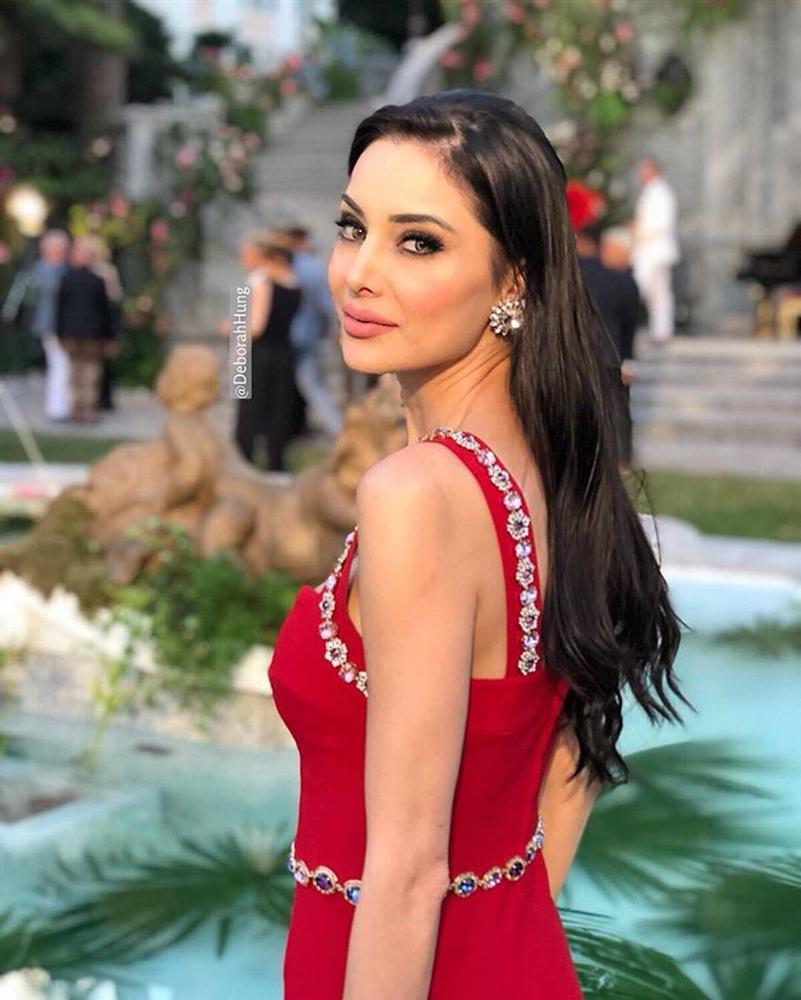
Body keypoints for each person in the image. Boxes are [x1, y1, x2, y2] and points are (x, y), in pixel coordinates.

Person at [267, 90, 688, 999]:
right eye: (352, 228)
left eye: (417, 242)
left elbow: (408, 874)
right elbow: (575, 758)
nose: (358, 273)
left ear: (512, 281)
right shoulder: (558, 465)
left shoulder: (417, 496)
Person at [233, 232, 303, 471]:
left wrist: (233, 326)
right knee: (279, 411)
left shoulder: (262, 283)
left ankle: (244, 460)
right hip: (285, 353)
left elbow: (255, 326)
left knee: (249, 410)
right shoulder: (295, 284)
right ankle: (276, 462)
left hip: (259, 354)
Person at [576, 223, 641, 472]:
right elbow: (630, 323)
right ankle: (622, 460)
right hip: (610, 355)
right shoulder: (624, 281)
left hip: (582, 353)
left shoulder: (582, 271)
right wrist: (628, 358)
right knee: (617, 410)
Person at [279, 224, 344, 438]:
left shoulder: (294, 267)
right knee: (305, 384)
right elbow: (326, 305)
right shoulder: (312, 267)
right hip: (307, 333)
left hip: (295, 335)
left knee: (311, 384)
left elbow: (325, 304)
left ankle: (337, 429)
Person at [55, 235, 114, 423]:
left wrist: (60, 333)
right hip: (91, 334)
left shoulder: (68, 279)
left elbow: (60, 310)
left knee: (78, 371)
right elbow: (104, 312)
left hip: (75, 334)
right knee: (88, 371)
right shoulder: (95, 281)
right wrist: (109, 337)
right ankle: (85, 409)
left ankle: (79, 408)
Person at [630, 156, 680, 342]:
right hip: (652, 249)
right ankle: (660, 331)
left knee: (642, 289)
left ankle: (657, 331)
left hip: (653, 249)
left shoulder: (660, 193)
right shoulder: (652, 191)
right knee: (658, 293)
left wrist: (637, 233)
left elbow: (660, 225)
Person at [28, 230, 72, 421]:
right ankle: (57, 409)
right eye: (61, 248)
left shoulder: (60, 270)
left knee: (62, 366)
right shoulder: (44, 271)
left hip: (61, 325)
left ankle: (63, 406)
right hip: (53, 326)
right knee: (60, 365)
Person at [85, 235, 123, 412]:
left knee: (102, 362)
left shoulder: (105, 271)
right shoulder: (85, 270)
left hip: (102, 318)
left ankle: (102, 398)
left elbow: (113, 299)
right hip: (92, 320)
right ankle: (94, 398)